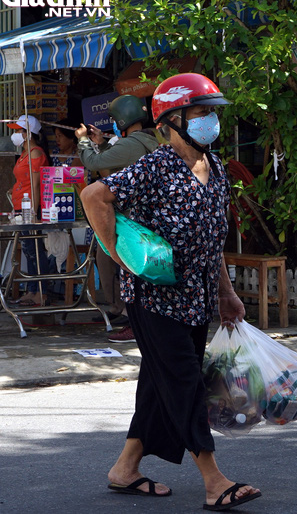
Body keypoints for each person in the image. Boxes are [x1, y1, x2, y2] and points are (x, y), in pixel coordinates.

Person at [80, 73, 261, 511]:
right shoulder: (156, 165)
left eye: (212, 113)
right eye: (201, 113)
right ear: (173, 120)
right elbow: (93, 197)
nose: (210, 122)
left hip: (196, 299)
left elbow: (211, 238)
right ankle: (214, 481)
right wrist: (117, 255)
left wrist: (226, 293)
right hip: (155, 300)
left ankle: (125, 469)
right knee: (183, 384)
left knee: (160, 386)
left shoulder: (214, 167)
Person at [76, 95, 160, 337]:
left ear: (122, 120)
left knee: (129, 269)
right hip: (147, 217)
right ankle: (127, 313)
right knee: (129, 268)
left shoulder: (130, 144)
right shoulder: (148, 140)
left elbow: (95, 164)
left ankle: (134, 322)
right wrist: (101, 142)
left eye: (114, 120)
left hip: (132, 218)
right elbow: (114, 164)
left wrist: (83, 141)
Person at [8, 115, 50, 307]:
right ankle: (32, 290)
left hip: (30, 209)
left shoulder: (35, 153)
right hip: (19, 207)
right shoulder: (25, 153)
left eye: (19, 131)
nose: (16, 134)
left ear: (28, 133)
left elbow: (35, 185)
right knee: (28, 250)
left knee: (35, 250)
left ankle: (41, 292)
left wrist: (33, 210)